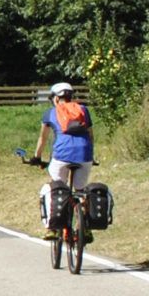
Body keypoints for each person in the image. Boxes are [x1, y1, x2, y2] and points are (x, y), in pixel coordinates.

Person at [32, 81, 92, 237]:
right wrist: (89, 156)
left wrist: (36, 158)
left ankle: (52, 229)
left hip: (61, 156)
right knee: (80, 192)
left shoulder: (51, 113)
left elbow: (43, 138)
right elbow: (91, 136)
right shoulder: (83, 110)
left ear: (56, 98)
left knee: (56, 188)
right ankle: (84, 227)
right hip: (85, 154)